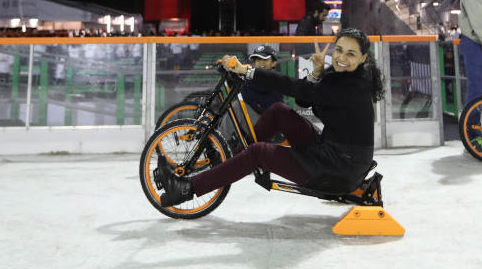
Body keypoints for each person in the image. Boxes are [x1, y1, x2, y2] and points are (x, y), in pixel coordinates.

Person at [155, 28, 385, 207]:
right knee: (278, 111)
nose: (342, 57)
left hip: (338, 169)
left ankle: (185, 189)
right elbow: (306, 99)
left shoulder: (352, 87)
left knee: (259, 153)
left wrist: (248, 71)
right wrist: (316, 72)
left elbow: (293, 87)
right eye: (339, 50)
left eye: (351, 53)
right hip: (332, 152)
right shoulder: (344, 76)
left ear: (364, 57)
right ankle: (227, 165)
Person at [241, 45, 285, 115]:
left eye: (265, 59)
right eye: (258, 59)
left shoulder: (276, 79)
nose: (261, 62)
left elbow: (260, 87)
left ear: (274, 63)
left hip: (270, 119)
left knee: (238, 106)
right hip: (253, 119)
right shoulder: (250, 76)